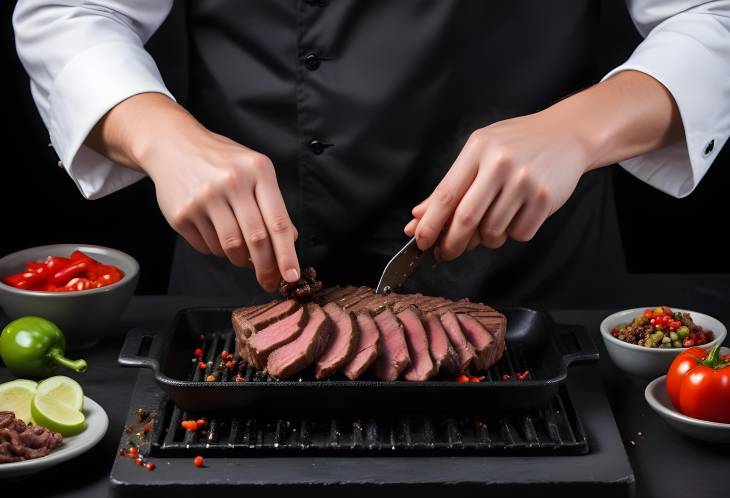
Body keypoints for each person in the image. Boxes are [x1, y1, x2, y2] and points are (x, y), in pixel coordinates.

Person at [12, 1, 730, 306]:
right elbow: (72, 12)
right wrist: (161, 134)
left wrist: (580, 130)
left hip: (536, 292)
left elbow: (711, 15)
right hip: (245, 296)